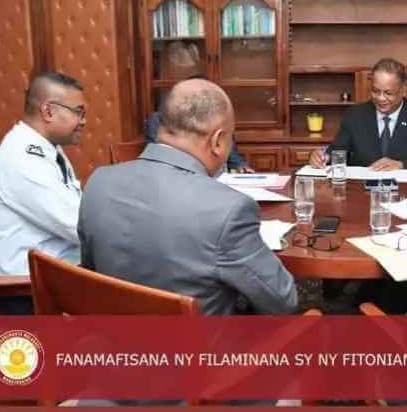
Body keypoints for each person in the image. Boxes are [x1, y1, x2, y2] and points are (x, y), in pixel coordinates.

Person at [78, 78, 297, 315]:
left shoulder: (98, 182)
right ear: (217, 141)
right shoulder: (229, 210)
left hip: (110, 335)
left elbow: (91, 271)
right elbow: (283, 301)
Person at [0, 71, 86, 315]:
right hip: (28, 294)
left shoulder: (46, 149)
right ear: (48, 111)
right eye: (78, 112)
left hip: (57, 273)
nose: (83, 121)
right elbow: (78, 226)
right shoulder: (21, 160)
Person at [308, 57, 407, 171]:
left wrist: (401, 165)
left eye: (388, 93)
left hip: (405, 190)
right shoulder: (355, 115)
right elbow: (338, 150)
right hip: (360, 189)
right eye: (375, 91)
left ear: (403, 90)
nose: (381, 98)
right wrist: (323, 157)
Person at [144, 74, 253, 173]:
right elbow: (161, 153)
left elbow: (230, 150)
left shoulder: (219, 117)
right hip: (176, 173)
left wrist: (240, 165)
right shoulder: (160, 119)